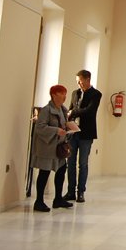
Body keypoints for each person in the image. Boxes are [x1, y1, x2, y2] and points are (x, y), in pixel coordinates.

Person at [31, 84, 76, 212]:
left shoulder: (63, 110)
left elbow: (63, 125)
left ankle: (58, 199)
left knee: (61, 171)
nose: (64, 97)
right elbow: (40, 127)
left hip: (59, 148)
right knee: (44, 173)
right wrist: (56, 130)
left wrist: (69, 129)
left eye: (65, 94)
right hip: (47, 148)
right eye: (62, 94)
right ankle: (39, 201)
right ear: (54, 95)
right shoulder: (46, 110)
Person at [64, 69, 102, 203]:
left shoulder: (96, 94)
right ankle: (70, 191)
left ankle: (81, 192)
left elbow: (90, 111)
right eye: (77, 81)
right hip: (73, 132)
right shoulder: (75, 93)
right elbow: (70, 108)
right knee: (70, 162)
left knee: (83, 163)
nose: (79, 84)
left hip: (86, 133)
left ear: (87, 79)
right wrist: (69, 115)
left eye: (80, 81)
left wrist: (74, 112)